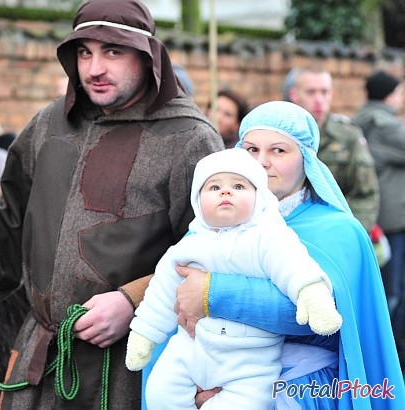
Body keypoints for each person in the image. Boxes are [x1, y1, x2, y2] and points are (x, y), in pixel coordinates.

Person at [0, 0, 224, 408]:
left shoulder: (190, 138)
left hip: (132, 368)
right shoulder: (49, 124)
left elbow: (215, 253)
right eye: (84, 52)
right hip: (38, 362)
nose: (94, 68)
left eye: (112, 52)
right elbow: (11, 221)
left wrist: (133, 301)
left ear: (147, 56)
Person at [167, 101, 404, 409]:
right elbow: (176, 297)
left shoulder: (338, 231)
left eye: (278, 150)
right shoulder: (210, 226)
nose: (262, 162)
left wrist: (213, 292)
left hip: (301, 390)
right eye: (251, 149)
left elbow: (318, 317)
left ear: (305, 158)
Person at [126, 148, 342, 409]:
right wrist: (144, 334)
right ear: (198, 201)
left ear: (258, 197)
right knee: (161, 392)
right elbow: (160, 294)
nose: (226, 192)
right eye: (214, 187)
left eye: (239, 186)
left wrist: (311, 294)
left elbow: (295, 268)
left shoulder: (268, 239)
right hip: (192, 349)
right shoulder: (187, 247)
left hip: (250, 361)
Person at [287, 66, 380, 235]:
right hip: (288, 231)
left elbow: (365, 194)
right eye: (311, 92)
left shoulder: (348, 135)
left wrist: (350, 233)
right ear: (294, 95)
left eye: (324, 92)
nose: (319, 99)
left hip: (335, 230)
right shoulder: (280, 135)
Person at [353, 69, 405, 358]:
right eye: (399, 92)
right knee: (392, 291)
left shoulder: (363, 120)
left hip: (380, 219)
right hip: (391, 221)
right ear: (388, 95)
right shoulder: (384, 124)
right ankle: (388, 351)